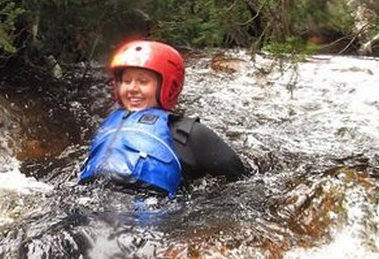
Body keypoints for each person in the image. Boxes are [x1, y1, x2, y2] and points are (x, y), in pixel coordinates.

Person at [78, 39, 253, 197]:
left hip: (149, 221)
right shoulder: (110, 126)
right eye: (126, 81)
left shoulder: (192, 134)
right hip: (96, 207)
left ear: (168, 86)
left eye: (143, 81)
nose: (132, 88)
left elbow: (242, 180)